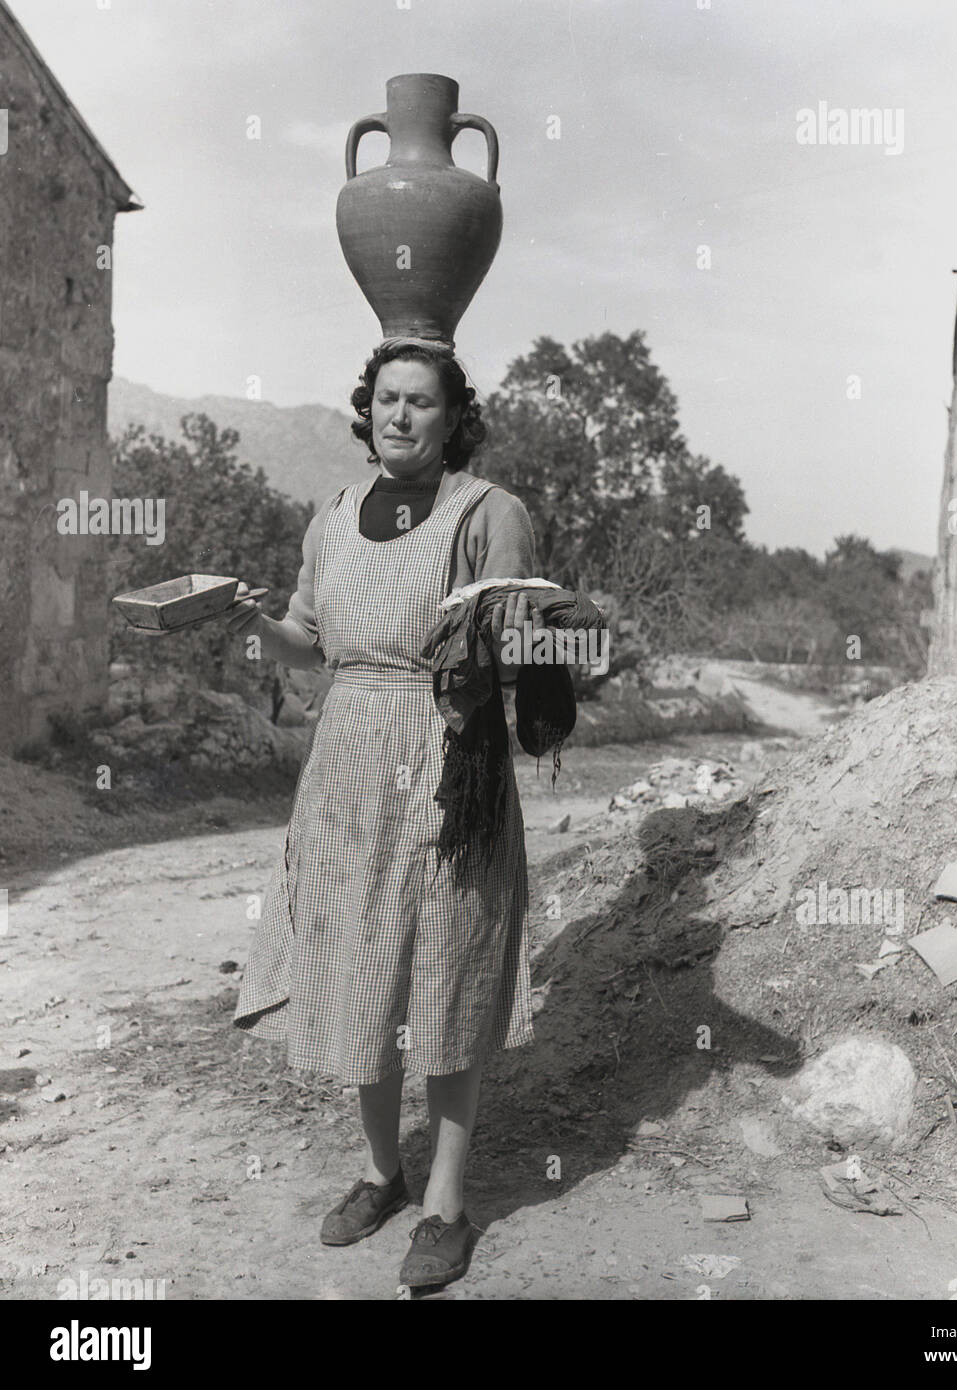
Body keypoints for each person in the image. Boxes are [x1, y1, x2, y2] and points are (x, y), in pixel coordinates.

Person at [227, 340, 547, 1290]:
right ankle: (381, 1172)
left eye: (423, 402)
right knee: (358, 961)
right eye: (388, 400)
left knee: (445, 965)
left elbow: (525, 641)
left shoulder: (490, 514)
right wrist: (253, 622)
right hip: (345, 763)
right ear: (368, 410)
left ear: (455, 418)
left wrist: (524, 650)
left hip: (450, 759)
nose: (402, 417)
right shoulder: (329, 516)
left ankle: (446, 1206)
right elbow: (306, 645)